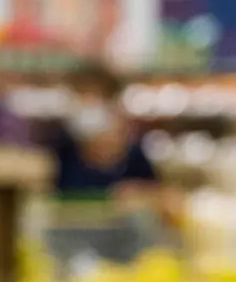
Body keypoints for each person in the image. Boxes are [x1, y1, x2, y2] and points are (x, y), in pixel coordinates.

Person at [50, 65, 161, 204]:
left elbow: (160, 194)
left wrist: (141, 193)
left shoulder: (134, 157)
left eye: (93, 96)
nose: (86, 104)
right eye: (80, 94)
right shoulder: (62, 151)